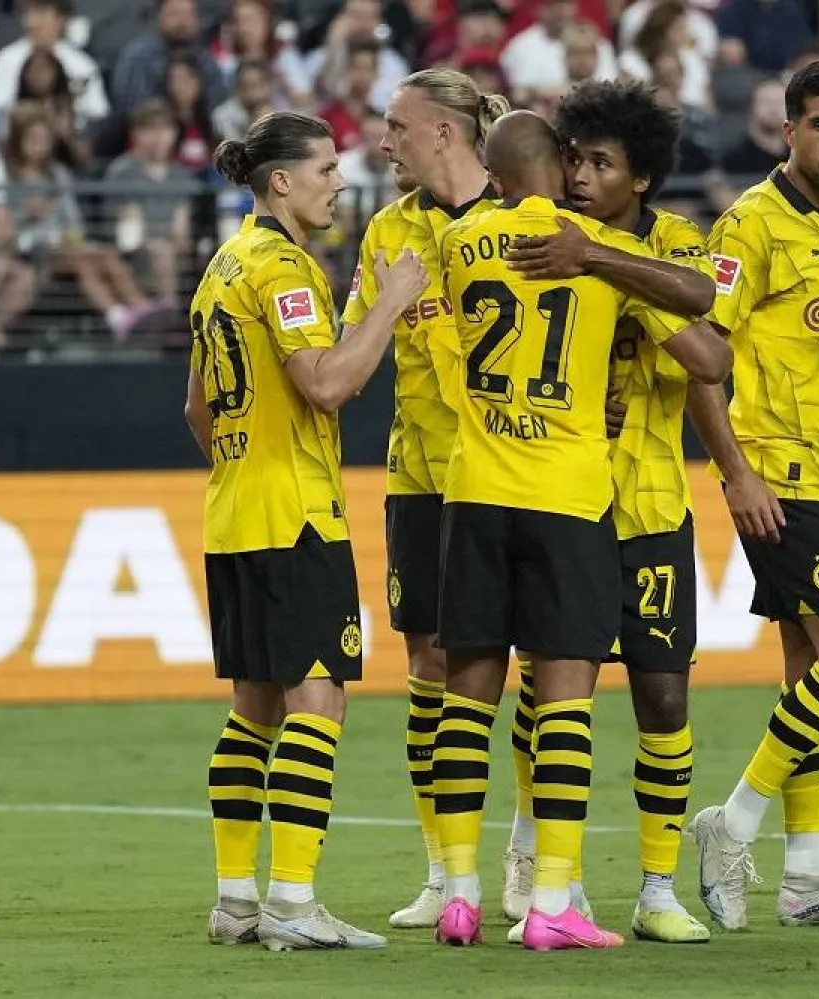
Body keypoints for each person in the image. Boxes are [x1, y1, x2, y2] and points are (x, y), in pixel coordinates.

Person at [430, 109, 732, 951]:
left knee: (470, 698)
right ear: (561, 168)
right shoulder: (593, 255)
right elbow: (711, 350)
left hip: (478, 487)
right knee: (565, 702)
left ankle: (458, 892)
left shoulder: (460, 243)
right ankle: (552, 901)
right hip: (569, 496)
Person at [187, 109, 427, 952]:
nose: (339, 181)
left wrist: (249, 459)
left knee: (253, 706)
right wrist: (392, 303)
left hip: (233, 512)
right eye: (325, 169)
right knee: (317, 701)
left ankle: (235, 899)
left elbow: (195, 409)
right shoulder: (284, 267)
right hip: (295, 517)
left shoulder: (221, 266)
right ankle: (292, 900)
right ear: (280, 181)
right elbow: (327, 384)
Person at [685, 61, 819, 932]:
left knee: (810, 672)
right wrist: (736, 472)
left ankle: (807, 875)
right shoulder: (750, 225)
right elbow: (704, 355)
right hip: (782, 479)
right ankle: (731, 823)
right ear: (787, 131)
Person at [341, 67, 509, 931]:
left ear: (445, 132)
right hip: (421, 478)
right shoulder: (386, 233)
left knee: (535, 669)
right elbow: (353, 350)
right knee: (430, 671)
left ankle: (529, 862)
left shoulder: (522, 217)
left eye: (396, 126)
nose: (382, 142)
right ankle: (445, 870)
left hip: (515, 477)